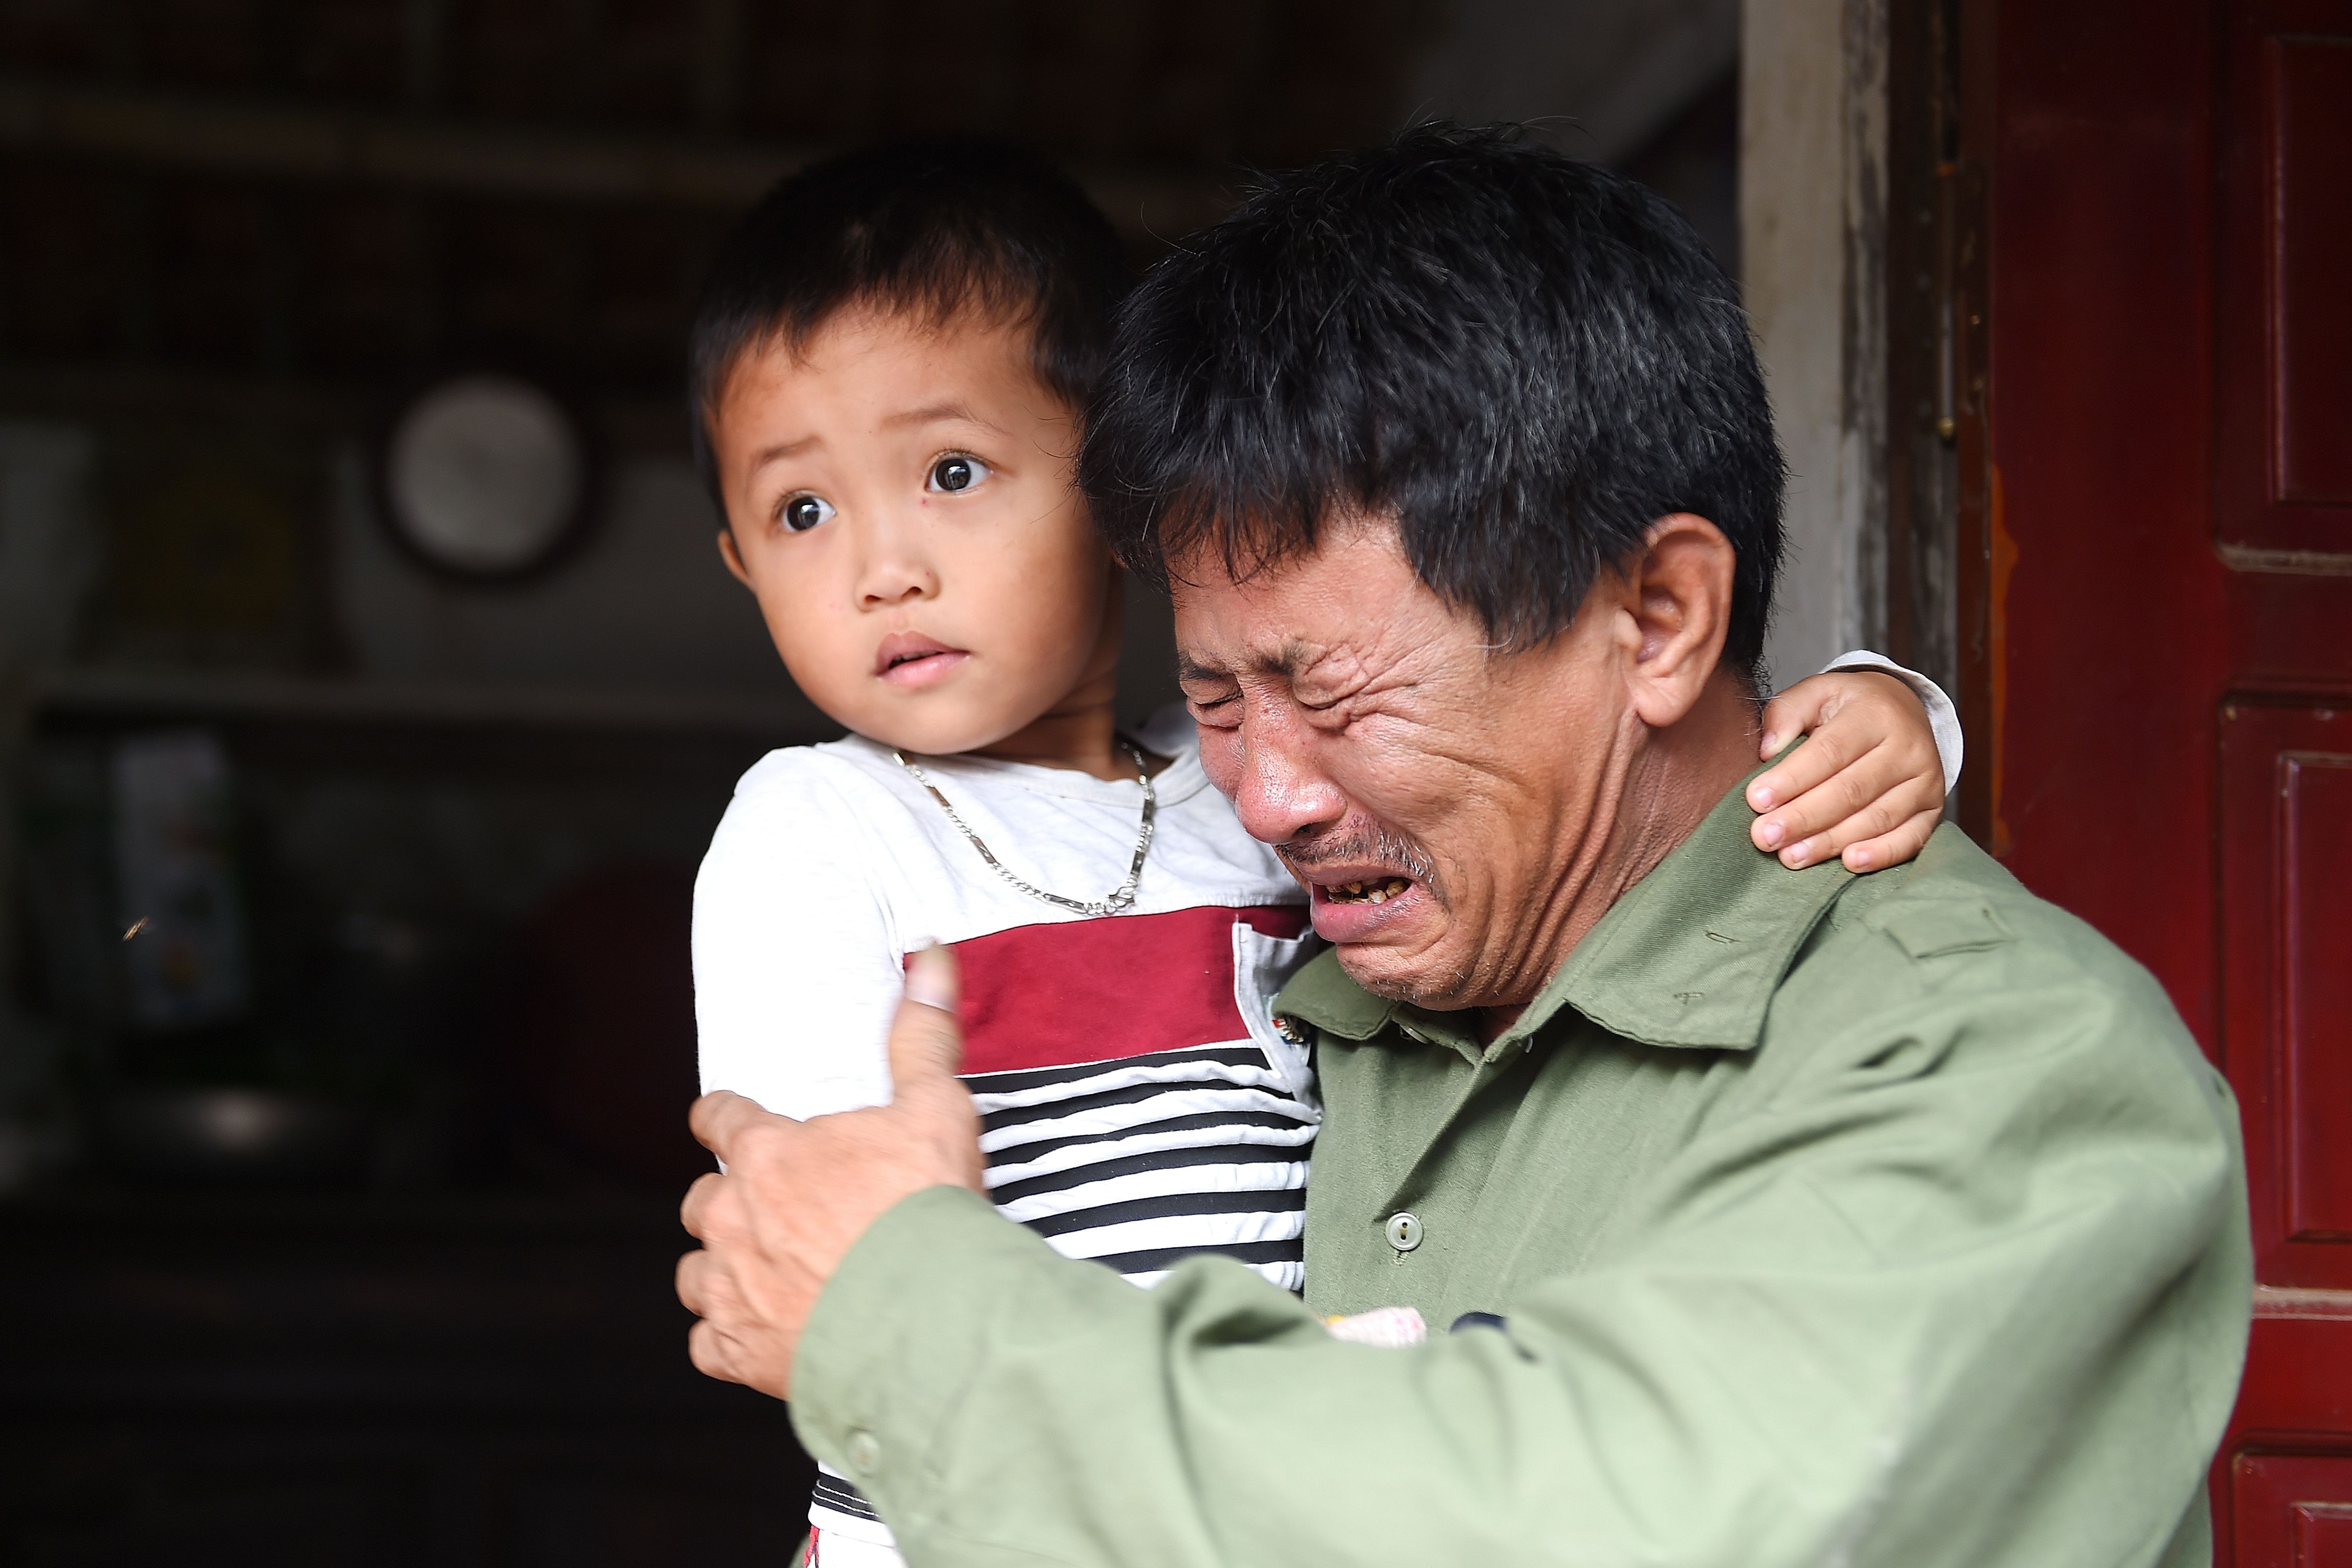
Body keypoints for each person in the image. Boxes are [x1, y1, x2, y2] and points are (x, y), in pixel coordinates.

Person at [684, 134, 1989, 1567]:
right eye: (800, 510)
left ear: (1120, 491)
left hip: (1292, 1472)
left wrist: (1887, 711)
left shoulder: (1250, 788)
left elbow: (1655, 742)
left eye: (950, 469)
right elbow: (810, 1262)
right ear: (738, 560)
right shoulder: (816, 831)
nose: (885, 567)